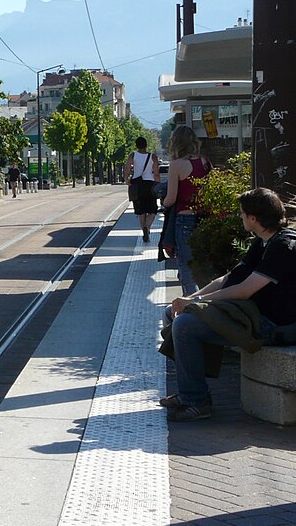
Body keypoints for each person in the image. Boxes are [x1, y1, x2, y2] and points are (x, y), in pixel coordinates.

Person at [160, 188, 296, 422]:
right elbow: (228, 279)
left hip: (274, 325)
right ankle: (191, 391)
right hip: (253, 315)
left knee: (185, 325)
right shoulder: (263, 241)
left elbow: (244, 291)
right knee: (174, 313)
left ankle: (196, 401)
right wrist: (191, 299)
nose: (240, 217)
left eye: (243, 214)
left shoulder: (283, 246)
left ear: (255, 218)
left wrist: (196, 303)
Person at [163, 125, 212, 295]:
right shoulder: (205, 161)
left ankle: (190, 306)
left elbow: (171, 198)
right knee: (203, 265)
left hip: (184, 220)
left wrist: (163, 202)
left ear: (175, 143)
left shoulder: (176, 165)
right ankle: (205, 303)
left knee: (186, 265)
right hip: (204, 219)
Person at [124, 136, 159, 242]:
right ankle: (147, 227)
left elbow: (127, 168)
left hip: (137, 184)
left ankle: (143, 228)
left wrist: (127, 179)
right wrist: (158, 183)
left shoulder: (133, 155)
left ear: (136, 146)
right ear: (146, 145)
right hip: (149, 184)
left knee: (141, 211)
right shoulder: (152, 156)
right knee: (152, 209)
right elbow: (156, 172)